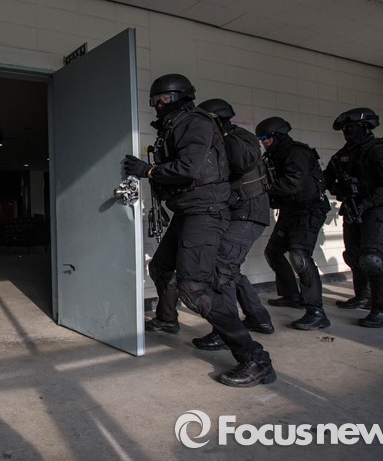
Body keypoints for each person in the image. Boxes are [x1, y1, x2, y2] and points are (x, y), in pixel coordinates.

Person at [124, 74, 276, 387]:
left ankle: (254, 358)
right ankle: (168, 319)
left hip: (205, 212)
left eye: (163, 99)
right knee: (161, 267)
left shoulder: (194, 122)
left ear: (180, 97)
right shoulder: (175, 125)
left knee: (195, 288)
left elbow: (189, 168)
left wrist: (148, 170)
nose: (158, 105)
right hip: (188, 210)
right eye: (154, 100)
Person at [190, 98, 274, 351]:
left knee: (221, 268)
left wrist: (221, 136)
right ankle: (259, 319)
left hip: (248, 213)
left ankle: (225, 332)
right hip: (237, 213)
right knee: (229, 269)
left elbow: (242, 162)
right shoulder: (222, 139)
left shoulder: (238, 138)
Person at [324, 108, 383, 328]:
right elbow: (327, 178)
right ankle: (362, 296)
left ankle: (381, 310)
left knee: (372, 259)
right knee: (354, 256)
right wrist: (336, 189)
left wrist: (365, 202)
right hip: (354, 209)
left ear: (365, 127)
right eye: (345, 128)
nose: (347, 132)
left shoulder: (379, 150)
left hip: (379, 210)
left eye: (351, 127)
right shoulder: (343, 154)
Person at [257, 117, 331, 330]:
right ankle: (291, 295)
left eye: (267, 137)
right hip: (290, 210)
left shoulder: (296, 152)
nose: (264, 142)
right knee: (273, 252)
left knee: (300, 257)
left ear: (279, 135)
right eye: (261, 139)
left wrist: (262, 190)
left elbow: (293, 183)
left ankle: (316, 312)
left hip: (309, 210)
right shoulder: (273, 156)